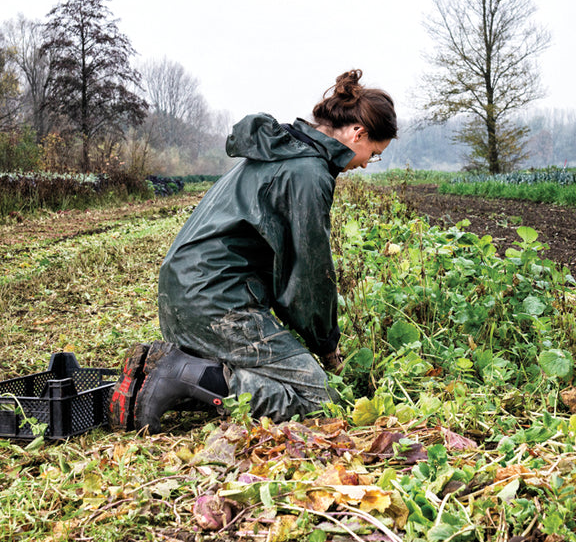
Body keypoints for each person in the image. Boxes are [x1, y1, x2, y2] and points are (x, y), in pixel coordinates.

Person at [109, 69, 397, 433]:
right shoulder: (307, 173)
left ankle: (171, 374)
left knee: (274, 374)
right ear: (358, 133)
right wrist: (326, 346)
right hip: (216, 303)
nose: (367, 163)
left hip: (182, 296)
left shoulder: (281, 151)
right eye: (374, 153)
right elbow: (308, 277)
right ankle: (185, 373)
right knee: (319, 400)